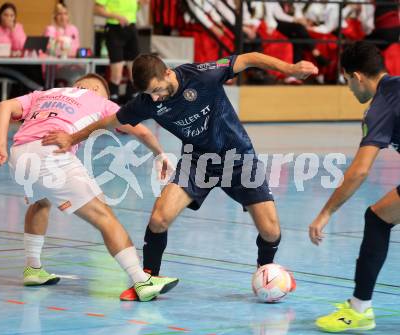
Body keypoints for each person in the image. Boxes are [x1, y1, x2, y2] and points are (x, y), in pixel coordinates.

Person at [42, 51, 318, 301]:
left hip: (238, 158)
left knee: (270, 230)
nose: (155, 97)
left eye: (157, 90)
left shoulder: (203, 74)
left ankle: (264, 271)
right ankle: (146, 280)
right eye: (150, 94)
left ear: (167, 73)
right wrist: (73, 136)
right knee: (159, 218)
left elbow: (248, 58)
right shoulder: (147, 102)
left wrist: (289, 68)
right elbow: (111, 121)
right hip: (197, 162)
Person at [0, 73, 178, 302]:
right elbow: (141, 130)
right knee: (104, 216)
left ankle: (33, 268)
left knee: (41, 202)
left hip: (20, 156)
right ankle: (142, 281)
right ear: (98, 91)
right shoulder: (99, 101)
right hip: (52, 156)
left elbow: (5, 105)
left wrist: (0, 144)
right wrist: (160, 154)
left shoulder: (44, 94)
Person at [309, 41, 400, 332]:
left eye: (347, 80)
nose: (348, 88)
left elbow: (359, 171)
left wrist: (325, 213)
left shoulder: (381, 106)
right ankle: (359, 305)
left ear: (358, 77)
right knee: (378, 217)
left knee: (377, 219)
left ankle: (359, 310)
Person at [94, 0, 149, 104]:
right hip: (114, 29)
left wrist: (141, 4)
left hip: (131, 28)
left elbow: (133, 8)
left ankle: (132, 103)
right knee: (117, 74)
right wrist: (116, 16)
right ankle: (112, 105)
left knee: (135, 71)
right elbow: (96, 9)